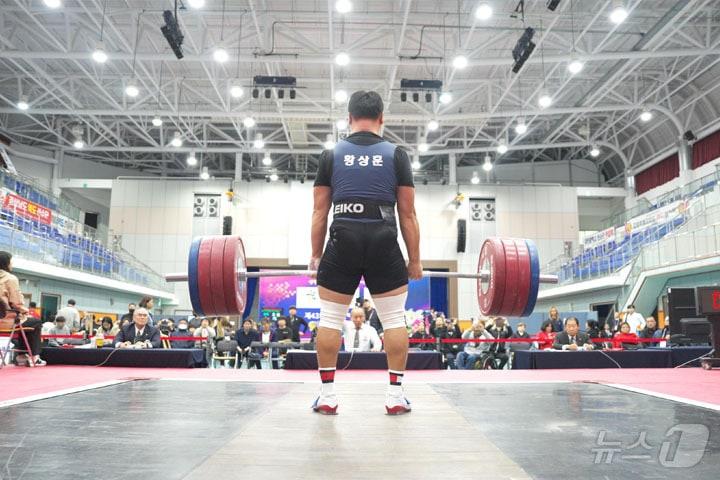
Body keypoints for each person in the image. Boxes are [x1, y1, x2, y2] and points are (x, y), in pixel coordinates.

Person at [310, 90, 419, 415]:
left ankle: (327, 396)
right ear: (381, 118)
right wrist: (415, 260)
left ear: (349, 119)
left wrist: (316, 256)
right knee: (394, 320)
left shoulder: (331, 155)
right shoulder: (397, 154)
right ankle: (395, 397)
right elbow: (408, 214)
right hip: (384, 237)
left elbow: (319, 212)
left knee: (330, 320)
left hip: (343, 235)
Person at [0, 251, 45, 366]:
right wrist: (26, 312)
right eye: (11, 261)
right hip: (6, 321)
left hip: (6, 318)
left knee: (24, 321)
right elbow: (16, 303)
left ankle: (22, 356)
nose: (12, 264)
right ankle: (34, 357)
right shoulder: (10, 279)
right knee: (35, 321)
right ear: (6, 263)